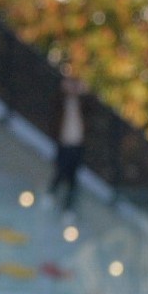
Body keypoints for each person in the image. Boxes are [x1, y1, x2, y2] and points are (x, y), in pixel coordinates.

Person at [52, 75, 86, 216]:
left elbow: (92, 108)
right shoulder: (62, 102)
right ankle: (52, 193)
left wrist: (83, 91)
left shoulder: (82, 103)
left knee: (72, 176)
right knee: (61, 169)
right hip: (64, 142)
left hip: (77, 144)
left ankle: (68, 207)